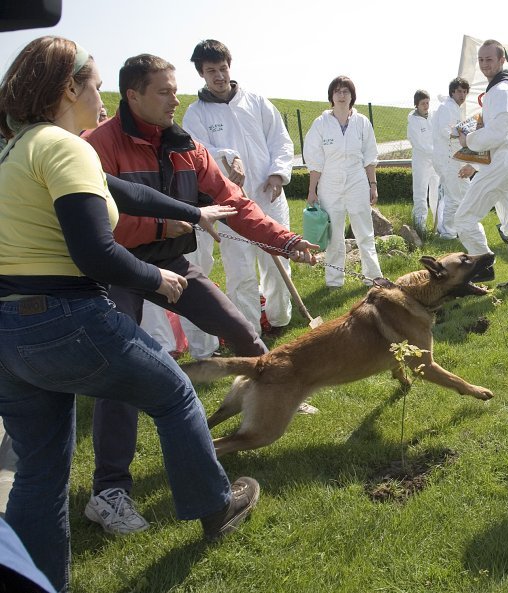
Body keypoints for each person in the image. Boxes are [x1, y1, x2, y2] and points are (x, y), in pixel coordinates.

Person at [0, 36, 261, 592]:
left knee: (41, 471)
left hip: (7, 330)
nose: (101, 100)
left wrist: (195, 211)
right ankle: (216, 506)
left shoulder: (16, 149)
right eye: (95, 86)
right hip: (64, 316)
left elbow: (123, 192)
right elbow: (95, 249)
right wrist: (154, 276)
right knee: (174, 394)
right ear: (69, 88)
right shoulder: (65, 147)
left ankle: (36, 581)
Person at [84, 53, 318, 536]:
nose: (177, 98)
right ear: (133, 96)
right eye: (165, 91)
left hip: (170, 258)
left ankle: (278, 391)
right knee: (120, 368)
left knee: (235, 324)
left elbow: (234, 202)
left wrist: (286, 240)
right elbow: (93, 223)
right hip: (118, 265)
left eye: (175, 89)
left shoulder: (186, 146)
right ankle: (109, 490)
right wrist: (171, 221)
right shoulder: (96, 147)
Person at [182, 39, 296, 348]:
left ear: (230, 67)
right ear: (201, 74)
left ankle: (279, 319)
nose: (218, 76)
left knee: (277, 262)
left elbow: (281, 142)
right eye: (210, 71)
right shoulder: (196, 114)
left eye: (222, 68)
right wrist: (226, 157)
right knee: (241, 270)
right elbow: (197, 151)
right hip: (231, 205)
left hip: (268, 196)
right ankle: (250, 334)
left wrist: (277, 174)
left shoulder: (256, 102)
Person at [455, 39, 508, 289]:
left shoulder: (502, 89)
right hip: (506, 162)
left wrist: (467, 138)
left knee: (463, 219)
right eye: (480, 59)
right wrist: (477, 164)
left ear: (502, 60)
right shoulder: (503, 88)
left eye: (489, 59)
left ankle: (483, 266)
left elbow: (497, 133)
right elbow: (500, 133)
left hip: (502, 162)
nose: (484, 64)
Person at [303, 75, 383, 288]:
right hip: (330, 183)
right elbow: (314, 160)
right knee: (334, 236)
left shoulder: (362, 122)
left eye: (345, 91)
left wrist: (372, 185)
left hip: (357, 181)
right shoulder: (321, 124)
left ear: (352, 96)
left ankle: (373, 277)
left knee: (365, 232)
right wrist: (313, 191)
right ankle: (334, 280)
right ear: (331, 95)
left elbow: (369, 156)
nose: (341, 95)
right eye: (337, 91)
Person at [431, 78, 470, 239]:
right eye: (459, 91)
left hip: (456, 158)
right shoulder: (446, 108)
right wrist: (464, 132)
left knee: (464, 193)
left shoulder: (455, 108)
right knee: (454, 196)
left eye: (465, 92)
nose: (463, 95)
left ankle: (459, 228)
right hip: (448, 159)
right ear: (452, 92)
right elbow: (445, 131)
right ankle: (447, 232)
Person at [406, 89, 440, 237]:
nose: (426, 106)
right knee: (420, 194)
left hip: (436, 162)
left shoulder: (433, 117)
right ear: (416, 105)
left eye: (427, 103)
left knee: (436, 193)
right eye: (422, 103)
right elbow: (419, 144)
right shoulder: (413, 122)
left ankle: (440, 226)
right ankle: (420, 228)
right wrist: (435, 153)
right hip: (421, 162)